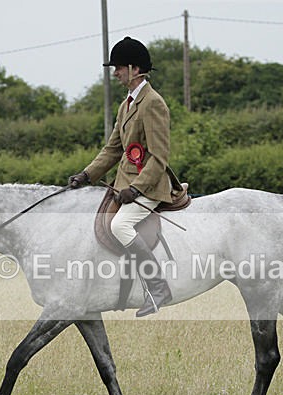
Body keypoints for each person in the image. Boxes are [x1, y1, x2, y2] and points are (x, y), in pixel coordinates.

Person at [68, 36, 184, 317]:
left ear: (134, 68)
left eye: (119, 67)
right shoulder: (126, 105)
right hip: (126, 184)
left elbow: (159, 157)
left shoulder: (153, 103)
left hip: (150, 185)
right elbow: (112, 149)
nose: (115, 72)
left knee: (120, 226)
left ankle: (158, 287)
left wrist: (136, 188)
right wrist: (86, 175)